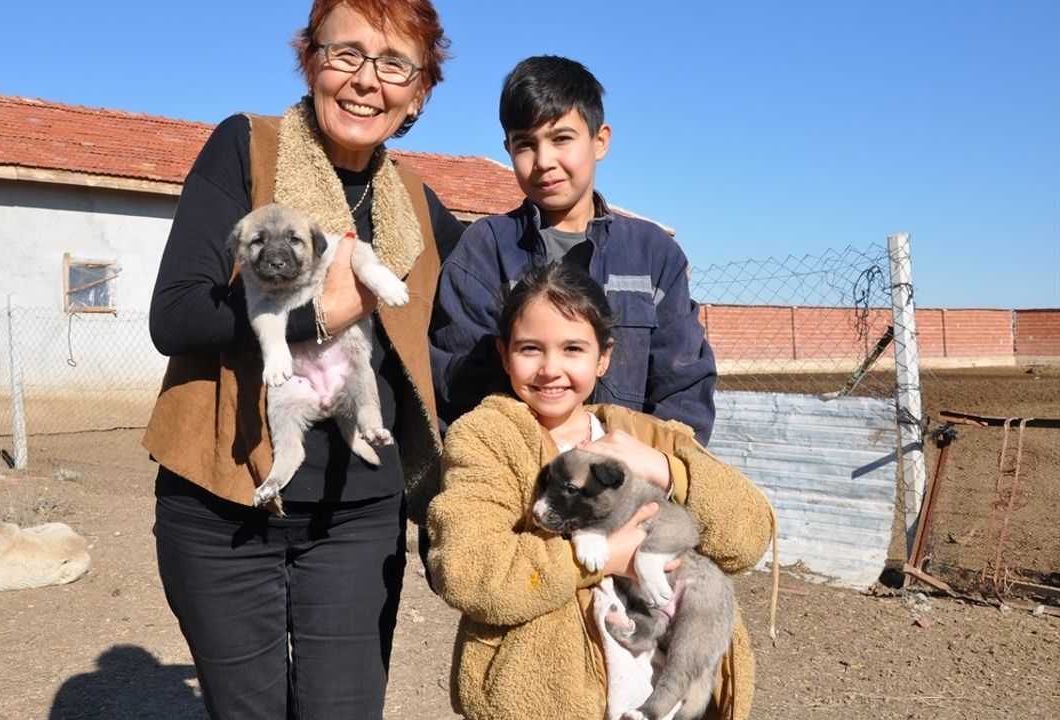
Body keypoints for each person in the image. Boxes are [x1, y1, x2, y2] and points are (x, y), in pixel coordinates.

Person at [142, 2, 463, 717]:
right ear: (311, 61)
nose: (365, 81)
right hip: (224, 501)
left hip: (356, 517)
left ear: (419, 92)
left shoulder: (417, 201)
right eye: (344, 53)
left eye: (393, 64)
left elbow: (483, 322)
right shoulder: (246, 148)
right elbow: (175, 314)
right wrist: (318, 314)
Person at [426, 263, 775, 720]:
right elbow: (465, 570)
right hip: (546, 700)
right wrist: (599, 558)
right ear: (505, 354)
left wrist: (666, 469)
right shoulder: (487, 440)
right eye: (531, 348)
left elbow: (748, 538)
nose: (551, 369)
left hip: (658, 692)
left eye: (573, 348)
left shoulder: (643, 434)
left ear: (603, 357)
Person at [430, 55, 718, 444]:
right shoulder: (485, 250)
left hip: (626, 484)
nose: (544, 161)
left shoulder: (653, 254)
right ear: (508, 149)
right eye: (525, 145)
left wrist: (644, 467)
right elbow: (459, 385)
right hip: (515, 476)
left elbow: (683, 389)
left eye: (561, 139)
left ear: (600, 141)